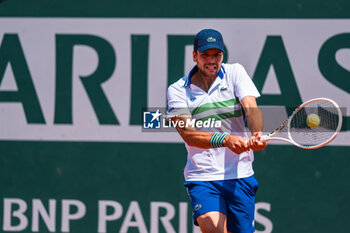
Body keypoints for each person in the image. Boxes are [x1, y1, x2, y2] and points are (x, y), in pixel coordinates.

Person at [166, 29, 267, 233]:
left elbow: (251, 107)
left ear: (223, 55)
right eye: (205, 55)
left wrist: (256, 133)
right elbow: (189, 134)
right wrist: (225, 139)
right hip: (203, 176)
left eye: (217, 55)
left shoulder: (235, 72)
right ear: (194, 56)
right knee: (212, 228)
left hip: (240, 175)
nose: (211, 61)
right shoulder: (177, 90)